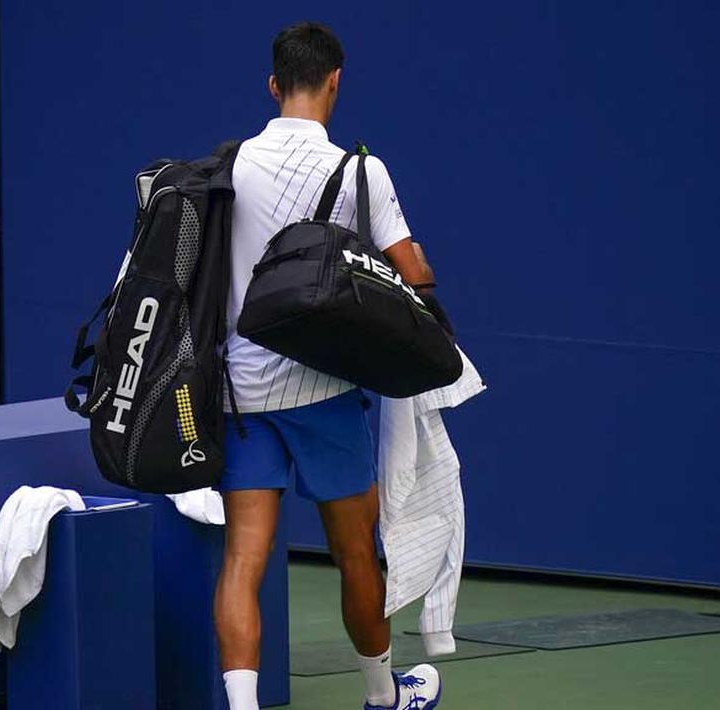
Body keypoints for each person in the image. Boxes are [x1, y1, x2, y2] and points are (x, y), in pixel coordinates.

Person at [217, 22, 443, 710]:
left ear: (273, 85)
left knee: (243, 560)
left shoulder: (230, 165)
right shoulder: (362, 172)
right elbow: (413, 273)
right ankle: (382, 696)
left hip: (242, 398)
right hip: (324, 396)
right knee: (354, 553)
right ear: (336, 82)